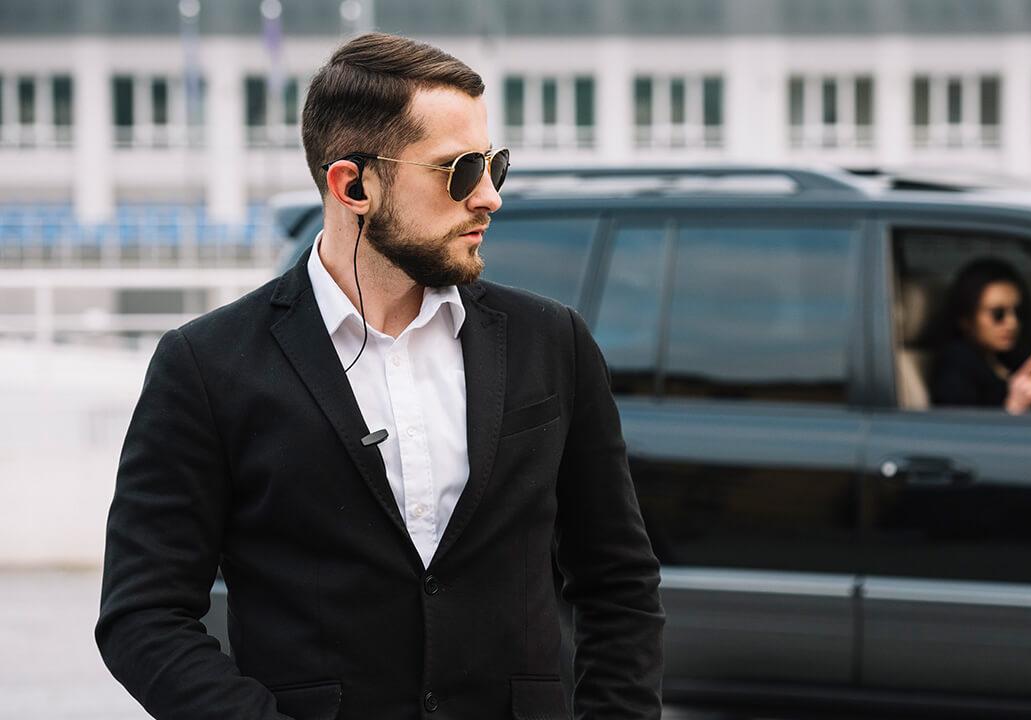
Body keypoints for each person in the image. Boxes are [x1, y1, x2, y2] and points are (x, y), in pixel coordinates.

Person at [96, 33, 664, 720]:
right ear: (353, 184)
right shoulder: (207, 364)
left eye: (494, 167)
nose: (489, 198)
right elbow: (143, 616)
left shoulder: (554, 342)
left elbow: (619, 583)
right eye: (458, 170)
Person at [929, 257, 1031, 414]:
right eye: (998, 314)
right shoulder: (955, 368)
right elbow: (958, 433)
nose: (1012, 323)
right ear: (966, 318)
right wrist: (1013, 407)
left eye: (1018, 312)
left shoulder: (1012, 359)